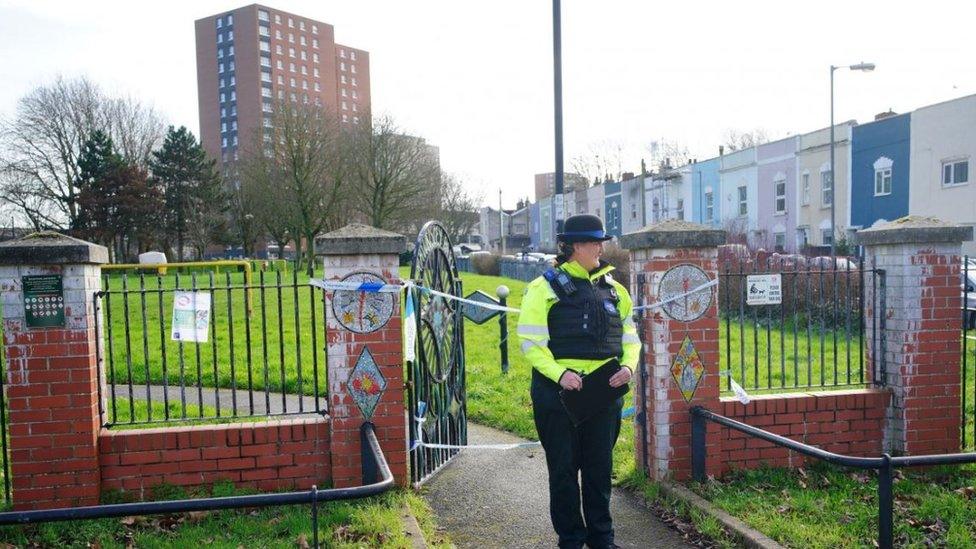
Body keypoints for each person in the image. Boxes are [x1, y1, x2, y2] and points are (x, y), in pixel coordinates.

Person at [517, 214, 641, 549]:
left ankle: (603, 540)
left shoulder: (616, 291)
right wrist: (561, 374)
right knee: (563, 473)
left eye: (601, 240)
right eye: (593, 241)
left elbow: (631, 339)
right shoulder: (542, 288)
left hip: (603, 395)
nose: (601, 247)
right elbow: (531, 343)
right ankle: (571, 540)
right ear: (574, 246)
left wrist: (629, 368)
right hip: (557, 394)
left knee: (599, 472)